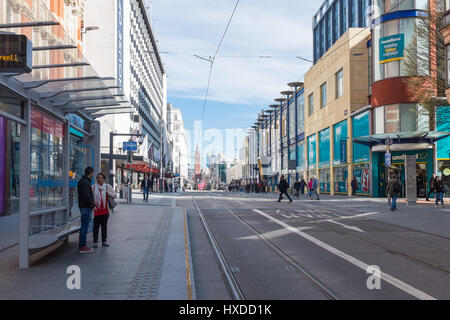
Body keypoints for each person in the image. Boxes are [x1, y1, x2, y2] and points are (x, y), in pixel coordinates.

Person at [92, 173, 117, 248]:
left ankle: (104, 241)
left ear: (104, 179)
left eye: (101, 178)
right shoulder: (93, 187)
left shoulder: (107, 187)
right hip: (96, 210)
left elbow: (115, 195)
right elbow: (90, 198)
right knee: (96, 226)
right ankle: (95, 241)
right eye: (98, 178)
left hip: (105, 211)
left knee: (104, 226)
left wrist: (108, 193)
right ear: (96, 179)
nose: (100, 179)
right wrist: (92, 206)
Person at [77, 167, 95, 253]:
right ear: (91, 173)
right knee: (84, 226)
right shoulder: (85, 182)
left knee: (84, 226)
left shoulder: (82, 181)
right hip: (85, 207)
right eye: (92, 173)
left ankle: (82, 245)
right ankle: (82, 246)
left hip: (83, 206)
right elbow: (86, 195)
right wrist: (92, 205)